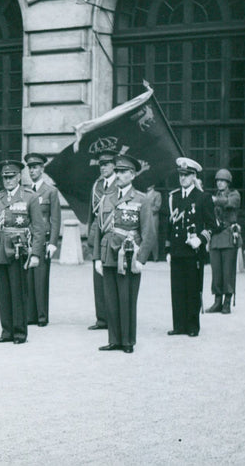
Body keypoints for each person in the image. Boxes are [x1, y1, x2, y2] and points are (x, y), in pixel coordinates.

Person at [90, 155, 155, 353]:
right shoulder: (106, 199)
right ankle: (114, 339)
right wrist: (96, 258)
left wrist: (141, 259)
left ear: (133, 175)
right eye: (117, 171)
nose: (118, 175)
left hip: (129, 256)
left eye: (123, 172)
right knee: (110, 299)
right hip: (108, 254)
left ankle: (127, 341)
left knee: (127, 299)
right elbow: (98, 229)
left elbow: (148, 232)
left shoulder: (141, 199)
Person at [0, 160, 46, 345]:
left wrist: (36, 254)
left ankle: (20, 332)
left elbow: (38, 228)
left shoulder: (29, 197)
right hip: (0, 249)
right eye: (5, 177)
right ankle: (7, 331)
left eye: (11, 176)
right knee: (3, 292)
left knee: (18, 291)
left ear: (19, 177)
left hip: (19, 249)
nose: (8, 181)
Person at [166, 157, 216, 338]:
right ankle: (179, 325)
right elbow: (169, 226)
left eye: (186, 175)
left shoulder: (203, 197)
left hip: (193, 252)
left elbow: (213, 225)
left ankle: (193, 325)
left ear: (194, 176)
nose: (183, 179)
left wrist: (201, 239)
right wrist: (168, 250)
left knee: (193, 288)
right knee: (177, 288)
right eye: (180, 175)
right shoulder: (174, 197)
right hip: (178, 251)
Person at [24, 153, 61, 327]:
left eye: (36, 167)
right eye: (30, 167)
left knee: (40, 278)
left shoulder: (50, 191)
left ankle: (41, 316)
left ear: (42, 169)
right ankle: (30, 315)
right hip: (26, 239)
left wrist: (53, 242)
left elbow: (55, 218)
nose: (32, 171)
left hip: (43, 239)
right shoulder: (25, 191)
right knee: (27, 279)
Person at [87, 151, 117, 330]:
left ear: (114, 165)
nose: (103, 167)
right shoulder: (97, 185)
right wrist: (90, 234)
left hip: (112, 234)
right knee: (98, 279)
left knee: (112, 278)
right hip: (97, 234)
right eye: (101, 164)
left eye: (106, 164)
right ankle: (101, 318)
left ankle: (113, 317)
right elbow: (92, 212)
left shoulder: (119, 184)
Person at [207, 168, 241, 315]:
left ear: (228, 182)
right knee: (216, 271)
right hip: (215, 236)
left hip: (228, 236)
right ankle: (217, 301)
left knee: (228, 271)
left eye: (223, 181)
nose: (220, 183)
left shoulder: (234, 194)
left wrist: (214, 200)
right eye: (218, 181)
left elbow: (229, 203)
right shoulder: (214, 196)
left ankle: (227, 302)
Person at [145, 184, 162, 262]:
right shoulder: (143, 194)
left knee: (154, 236)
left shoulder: (157, 194)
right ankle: (145, 256)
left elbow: (157, 207)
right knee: (145, 236)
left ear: (153, 185)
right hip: (144, 218)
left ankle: (155, 257)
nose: (148, 186)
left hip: (153, 218)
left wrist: (146, 211)